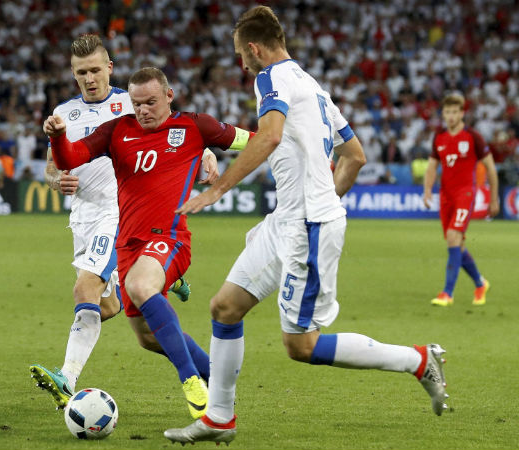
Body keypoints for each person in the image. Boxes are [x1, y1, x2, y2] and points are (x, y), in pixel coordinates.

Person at [164, 6, 449, 445]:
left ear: (255, 49)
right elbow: (355, 157)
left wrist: (217, 188)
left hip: (308, 227)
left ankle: (417, 359)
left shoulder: (271, 79)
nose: (242, 64)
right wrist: (322, 198)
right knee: (224, 307)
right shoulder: (313, 87)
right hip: (290, 219)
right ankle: (219, 419)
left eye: (242, 55)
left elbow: (270, 135)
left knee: (302, 346)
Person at [44, 66, 254, 419]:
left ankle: (190, 382)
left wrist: (291, 142)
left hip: (169, 238)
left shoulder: (194, 126)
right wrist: (57, 137)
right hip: (127, 246)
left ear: (169, 97)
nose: (143, 111)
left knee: (140, 285)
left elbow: (254, 140)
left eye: (151, 102)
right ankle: (217, 377)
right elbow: (70, 159)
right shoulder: (117, 131)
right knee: (148, 337)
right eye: (137, 104)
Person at [423, 93, 499, 306]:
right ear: (443, 113)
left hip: (465, 193)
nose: (451, 116)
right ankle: (480, 283)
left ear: (462, 113)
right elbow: (431, 166)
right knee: (457, 244)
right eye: (447, 112)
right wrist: (427, 190)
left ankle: (447, 293)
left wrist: (494, 198)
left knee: (453, 236)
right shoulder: (439, 137)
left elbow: (491, 169)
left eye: (455, 112)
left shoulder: (473, 137)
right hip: (446, 196)